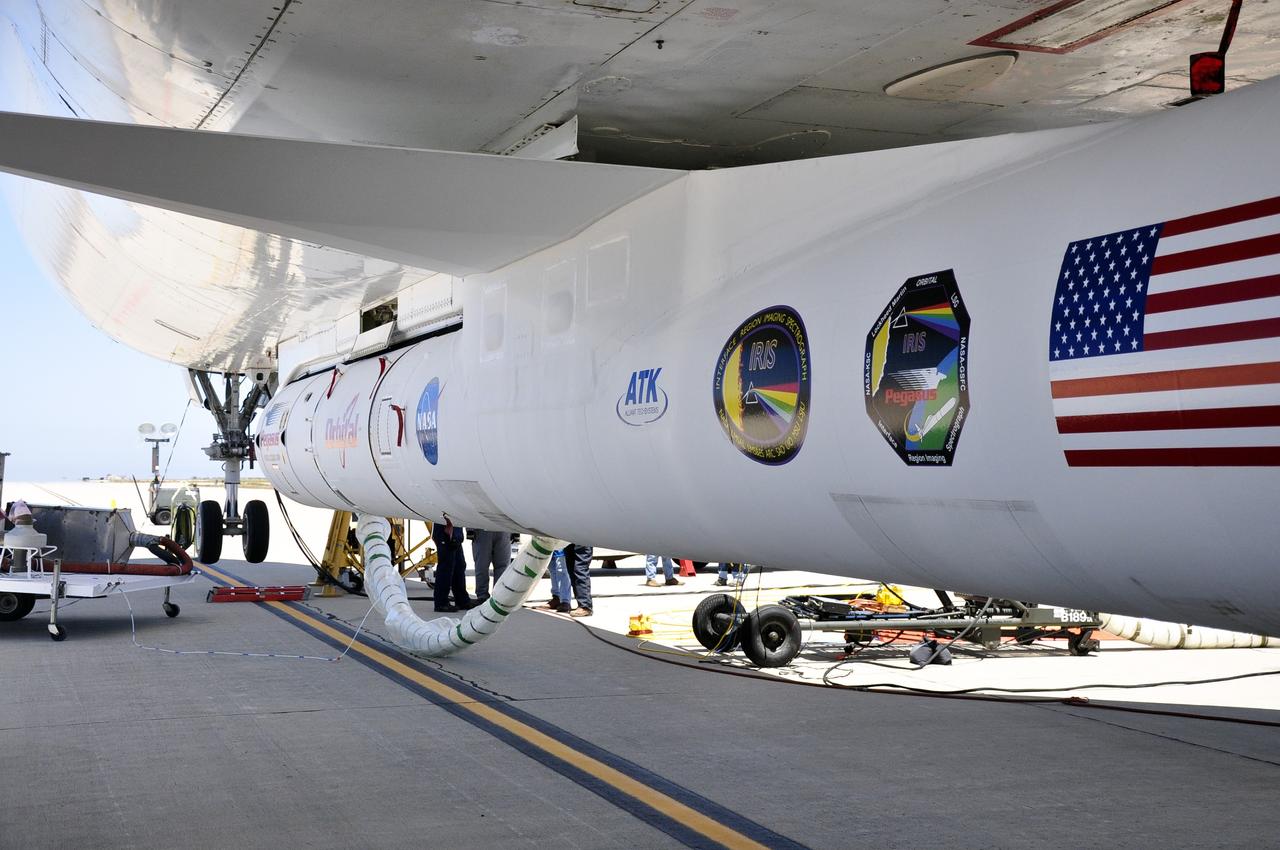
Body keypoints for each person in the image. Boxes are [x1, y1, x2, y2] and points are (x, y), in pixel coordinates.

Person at [431, 517, 474, 612]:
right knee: (446, 568)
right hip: (446, 532)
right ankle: (441, 603)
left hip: (454, 533)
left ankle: (462, 600)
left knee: (459, 566)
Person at [470, 528, 512, 603]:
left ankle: (498, 596)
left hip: (503, 529)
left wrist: (515, 532)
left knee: (502, 567)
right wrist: (469, 529)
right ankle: (482, 596)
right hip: (482, 529)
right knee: (482, 565)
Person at [561, 543, 594, 617]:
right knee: (571, 568)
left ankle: (585, 606)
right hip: (570, 540)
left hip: (583, 540)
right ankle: (581, 604)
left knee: (580, 569)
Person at [537, 547, 571, 613]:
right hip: (550, 545)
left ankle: (565, 601)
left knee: (561, 569)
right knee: (552, 568)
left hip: (561, 546)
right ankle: (556, 598)